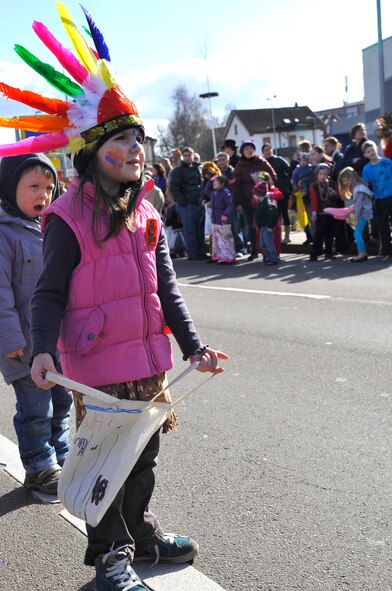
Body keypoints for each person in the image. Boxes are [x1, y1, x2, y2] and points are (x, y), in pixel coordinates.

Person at [0, 5, 229, 590]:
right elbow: (47, 294)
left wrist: (193, 345)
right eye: (124, 138)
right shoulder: (65, 217)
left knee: (144, 461)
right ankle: (110, 559)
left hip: (148, 365)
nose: (137, 148)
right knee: (108, 468)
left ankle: (142, 537)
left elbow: (167, 290)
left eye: (140, 138)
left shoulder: (148, 211)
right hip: (98, 370)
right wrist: (43, 351)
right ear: (94, 148)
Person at [0, 153, 72, 495]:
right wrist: (8, 338)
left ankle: (61, 453)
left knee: (63, 401)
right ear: (9, 188)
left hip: (56, 341)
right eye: (33, 187)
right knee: (35, 408)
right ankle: (39, 464)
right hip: (22, 344)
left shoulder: (53, 229)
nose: (43, 194)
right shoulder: (4, 234)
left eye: (48, 187)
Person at [233, 139, 277, 261]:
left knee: (265, 224)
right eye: (247, 149)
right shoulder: (239, 165)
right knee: (252, 226)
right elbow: (236, 185)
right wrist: (238, 203)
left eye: (251, 148)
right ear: (242, 151)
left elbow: (272, 175)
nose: (250, 150)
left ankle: (269, 251)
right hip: (247, 200)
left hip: (263, 199)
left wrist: (263, 180)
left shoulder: (261, 161)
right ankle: (254, 250)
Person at [170, 146, 207, 260]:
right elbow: (174, 187)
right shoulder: (177, 171)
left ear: (193, 155)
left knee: (200, 230)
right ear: (182, 157)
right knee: (189, 230)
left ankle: (202, 252)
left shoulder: (199, 168)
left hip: (199, 203)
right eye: (185, 155)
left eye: (189, 155)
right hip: (186, 205)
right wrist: (182, 201)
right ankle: (192, 253)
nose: (187, 157)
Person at [362, 140, 392, 259]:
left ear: (377, 149)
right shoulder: (367, 169)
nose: (371, 152)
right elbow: (366, 185)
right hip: (380, 199)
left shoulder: (387, 162)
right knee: (383, 225)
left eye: (372, 149)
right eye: (368, 151)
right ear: (365, 155)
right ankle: (387, 250)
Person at [338, 167, 373, 262]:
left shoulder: (358, 189)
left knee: (357, 233)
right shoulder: (360, 186)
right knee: (357, 233)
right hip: (364, 213)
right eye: (343, 181)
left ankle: (362, 253)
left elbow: (358, 206)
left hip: (363, 214)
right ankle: (363, 253)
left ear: (351, 177)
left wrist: (356, 219)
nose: (345, 183)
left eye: (345, 180)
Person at [309, 163, 342, 261]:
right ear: (317, 175)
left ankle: (329, 252)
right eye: (321, 174)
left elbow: (338, 196)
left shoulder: (332, 184)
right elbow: (314, 200)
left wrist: (334, 193)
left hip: (331, 212)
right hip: (321, 212)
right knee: (319, 233)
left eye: (325, 174)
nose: (323, 176)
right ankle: (315, 252)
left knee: (330, 233)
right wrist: (314, 211)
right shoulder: (314, 186)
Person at [261, 143, 292, 243]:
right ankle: (277, 236)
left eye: (269, 149)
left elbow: (289, 171)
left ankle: (287, 236)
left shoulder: (279, 160)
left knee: (284, 213)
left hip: (282, 191)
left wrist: (286, 183)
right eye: (265, 150)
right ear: (263, 152)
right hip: (270, 192)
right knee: (275, 214)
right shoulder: (262, 163)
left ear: (272, 150)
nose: (268, 151)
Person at [204, 174, 235, 264]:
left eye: (216, 182)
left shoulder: (225, 193)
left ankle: (228, 257)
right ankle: (218, 255)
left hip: (224, 221)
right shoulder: (214, 193)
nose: (214, 183)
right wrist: (210, 181)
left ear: (222, 184)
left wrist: (226, 214)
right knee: (217, 239)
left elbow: (230, 205)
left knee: (226, 239)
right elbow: (206, 190)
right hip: (215, 220)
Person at [254, 181, 280, 265]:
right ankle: (267, 258)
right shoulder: (260, 203)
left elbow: (274, 216)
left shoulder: (268, 204)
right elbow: (258, 216)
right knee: (262, 244)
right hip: (262, 226)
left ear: (259, 194)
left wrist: (271, 226)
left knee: (268, 243)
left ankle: (273, 259)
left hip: (267, 227)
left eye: (255, 194)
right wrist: (258, 225)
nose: (254, 196)